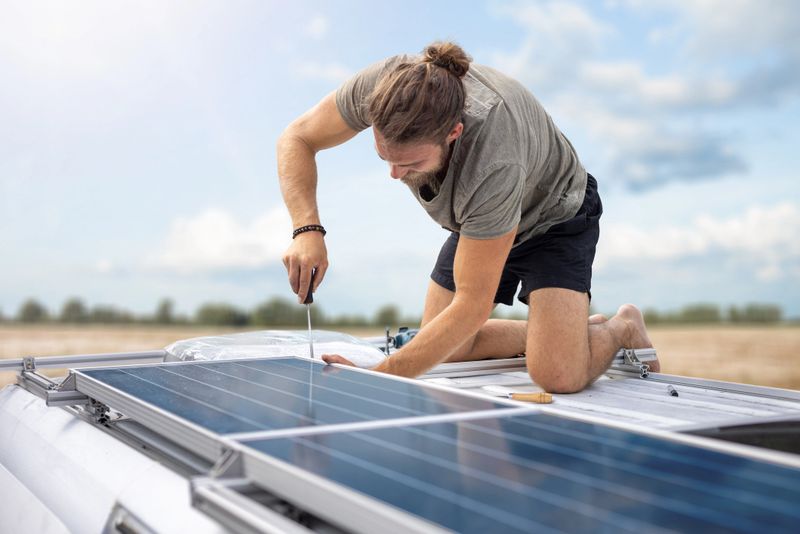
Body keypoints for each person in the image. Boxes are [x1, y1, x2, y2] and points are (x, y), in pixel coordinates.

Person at [277, 41, 658, 393]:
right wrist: (306, 229)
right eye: (384, 157)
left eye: (410, 162)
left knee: (557, 375)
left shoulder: (493, 159)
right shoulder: (384, 89)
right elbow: (296, 138)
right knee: (452, 347)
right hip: (478, 221)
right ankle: (558, 334)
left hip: (554, 217)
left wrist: (378, 380)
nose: (394, 174)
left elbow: (472, 306)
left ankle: (620, 326)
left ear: (454, 133)